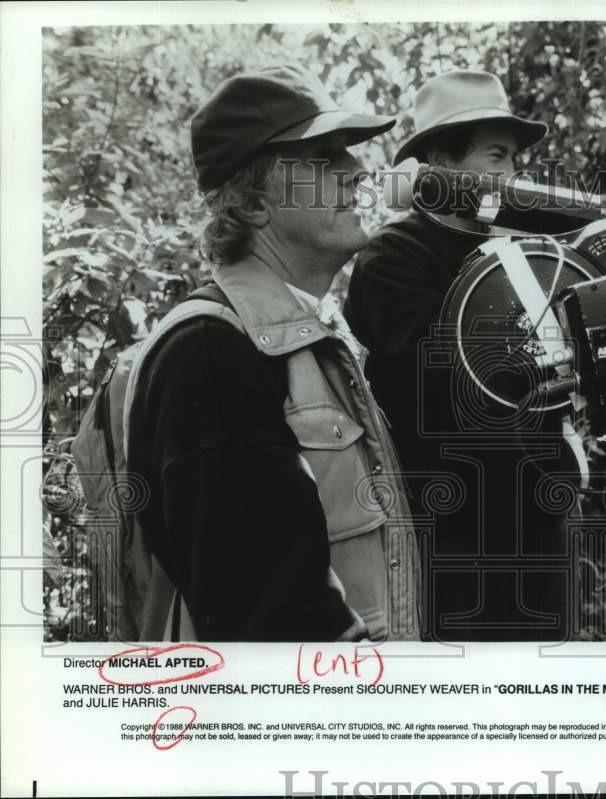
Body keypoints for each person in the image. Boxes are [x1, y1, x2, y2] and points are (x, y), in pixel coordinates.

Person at [126, 65, 420, 642]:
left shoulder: (304, 335)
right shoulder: (208, 354)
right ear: (254, 203)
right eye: (324, 159)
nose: (358, 173)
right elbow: (275, 620)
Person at [345, 71, 576, 642]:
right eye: (496, 156)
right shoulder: (392, 260)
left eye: (515, 160)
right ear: (438, 164)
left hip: (538, 533)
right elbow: (452, 376)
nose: (512, 177)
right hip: (450, 541)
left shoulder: (521, 252)